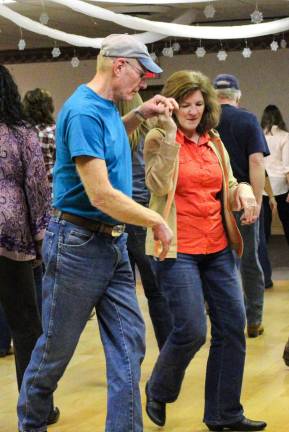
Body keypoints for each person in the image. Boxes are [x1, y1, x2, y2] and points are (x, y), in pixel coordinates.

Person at [17, 34, 175, 432]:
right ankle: (31, 423)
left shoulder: (106, 108)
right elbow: (101, 194)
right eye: (141, 76)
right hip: (78, 244)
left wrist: (139, 115)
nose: (143, 86)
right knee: (56, 349)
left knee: (128, 346)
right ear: (119, 65)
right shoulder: (85, 110)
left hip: (112, 243)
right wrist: (155, 220)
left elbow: (107, 139)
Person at [144, 70, 266, 432]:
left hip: (218, 247)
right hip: (178, 249)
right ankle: (159, 387)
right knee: (193, 330)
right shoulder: (157, 137)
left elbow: (227, 182)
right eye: (185, 104)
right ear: (172, 104)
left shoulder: (214, 141)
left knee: (232, 327)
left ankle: (224, 413)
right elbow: (158, 183)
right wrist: (168, 134)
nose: (193, 111)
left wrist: (242, 190)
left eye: (199, 104)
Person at [0, 65, 59, 425]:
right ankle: (36, 410)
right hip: (11, 240)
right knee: (27, 327)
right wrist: (44, 244)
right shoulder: (21, 134)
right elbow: (37, 192)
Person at [214, 74, 269, 338]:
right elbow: (256, 162)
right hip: (243, 199)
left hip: (211, 203)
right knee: (248, 261)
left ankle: (220, 322)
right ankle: (253, 321)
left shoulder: (207, 122)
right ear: (238, 95)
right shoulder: (247, 119)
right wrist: (257, 202)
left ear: (214, 96)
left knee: (214, 263)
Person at [117, 93, 172, 350]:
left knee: (121, 294)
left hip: (116, 213)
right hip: (143, 214)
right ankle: (167, 352)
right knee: (155, 290)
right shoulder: (150, 135)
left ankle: (127, 356)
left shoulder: (114, 135)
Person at [23, 88, 56, 314]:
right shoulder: (56, 133)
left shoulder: (22, 135)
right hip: (54, 207)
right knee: (52, 268)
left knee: (31, 268)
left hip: (27, 208)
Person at [261, 105, 289, 245]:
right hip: (281, 186)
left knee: (264, 227)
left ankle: (262, 260)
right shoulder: (285, 136)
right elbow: (287, 166)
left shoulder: (259, 134)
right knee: (287, 222)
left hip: (262, 184)